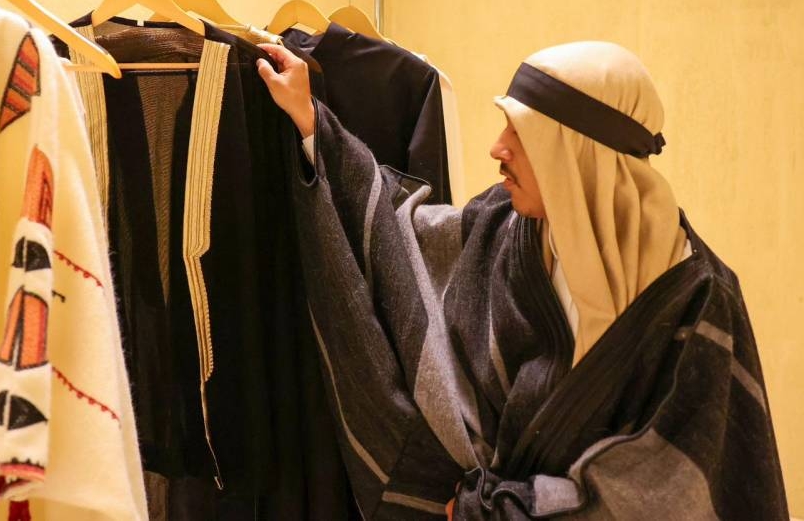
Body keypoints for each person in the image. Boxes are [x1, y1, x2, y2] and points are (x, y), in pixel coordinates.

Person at [254, 40, 788, 520]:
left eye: (522, 132)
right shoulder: (505, 225)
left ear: (579, 152)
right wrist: (311, 123)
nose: (497, 147)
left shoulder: (699, 298)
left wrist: (506, 512)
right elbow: (399, 239)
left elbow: (672, 487)